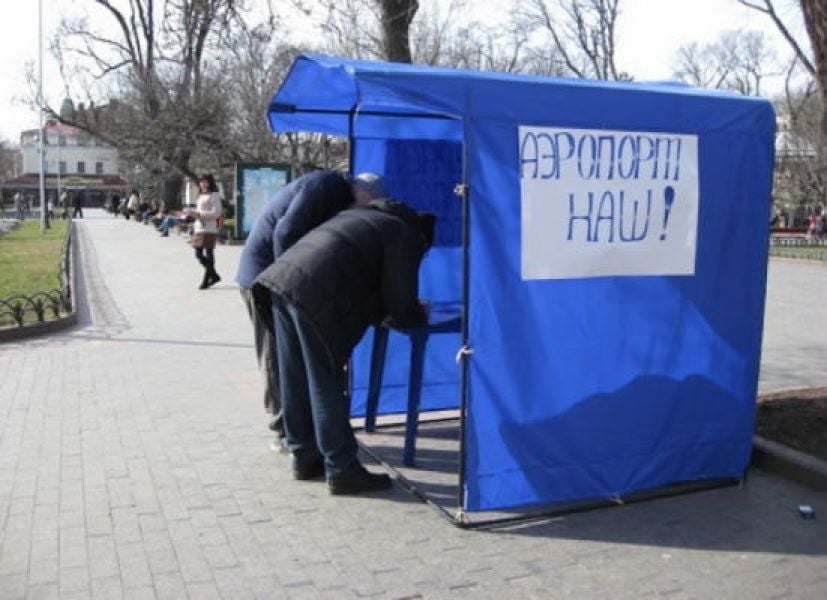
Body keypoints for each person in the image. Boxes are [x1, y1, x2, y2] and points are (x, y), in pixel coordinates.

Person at [254, 199, 436, 495]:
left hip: (278, 284)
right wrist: (416, 313)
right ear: (422, 237)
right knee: (325, 381)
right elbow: (400, 301)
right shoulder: (404, 234)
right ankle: (342, 469)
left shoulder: (359, 216)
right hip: (310, 296)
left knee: (294, 377)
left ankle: (304, 457)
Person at [235, 171, 388, 451]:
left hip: (274, 277)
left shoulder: (333, 193)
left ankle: (299, 432)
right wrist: (287, 282)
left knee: (289, 358)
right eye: (369, 206)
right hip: (264, 278)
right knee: (277, 356)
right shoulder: (326, 185)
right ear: (364, 193)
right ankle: (284, 430)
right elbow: (285, 232)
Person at [189, 174, 223, 289]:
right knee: (198, 254)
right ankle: (214, 275)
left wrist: (199, 214)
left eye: (205, 182)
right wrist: (192, 213)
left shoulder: (214, 195)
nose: (203, 184)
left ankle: (206, 279)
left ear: (210, 183)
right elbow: (200, 211)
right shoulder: (200, 195)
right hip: (199, 227)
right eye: (201, 182)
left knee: (209, 253)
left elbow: (216, 213)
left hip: (209, 228)